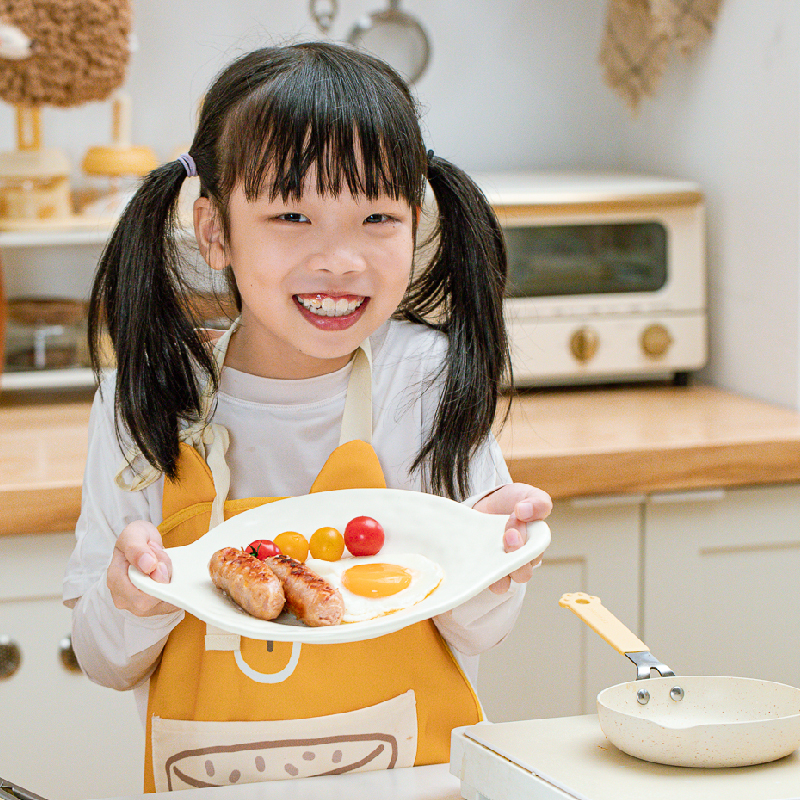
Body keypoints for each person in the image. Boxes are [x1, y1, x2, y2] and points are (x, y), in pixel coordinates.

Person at [63, 41, 552, 792]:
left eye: (377, 217)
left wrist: (493, 563)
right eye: (292, 214)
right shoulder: (149, 400)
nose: (342, 259)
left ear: (415, 221)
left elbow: (477, 633)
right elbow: (102, 660)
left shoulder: (425, 380)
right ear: (216, 230)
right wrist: (129, 596)